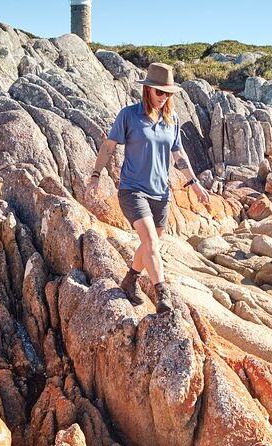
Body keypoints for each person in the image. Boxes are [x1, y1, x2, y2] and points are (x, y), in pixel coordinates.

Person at [86, 62, 210, 313]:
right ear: (148, 90)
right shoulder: (129, 115)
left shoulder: (171, 119)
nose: (164, 98)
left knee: (151, 242)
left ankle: (130, 280)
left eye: (168, 93)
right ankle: (161, 292)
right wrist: (96, 175)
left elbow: (179, 154)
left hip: (161, 194)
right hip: (133, 191)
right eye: (159, 92)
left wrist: (194, 183)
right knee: (151, 240)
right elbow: (108, 146)